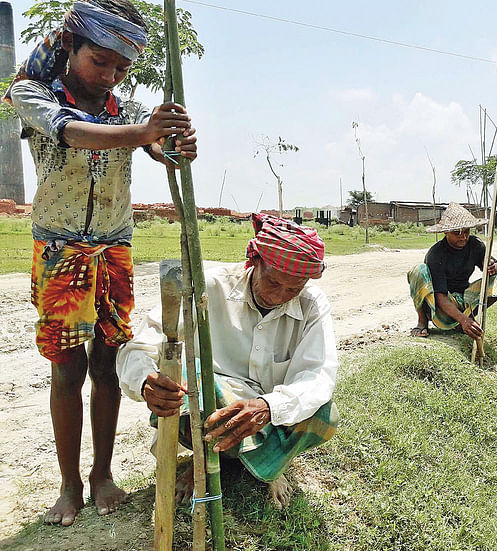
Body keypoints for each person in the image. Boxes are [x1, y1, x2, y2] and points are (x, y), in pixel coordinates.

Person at [6, 0, 197, 526]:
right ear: (71, 47)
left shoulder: (126, 109)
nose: (110, 74)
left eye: (120, 66)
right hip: (61, 250)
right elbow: (74, 134)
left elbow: (159, 149)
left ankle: (102, 474)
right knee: (67, 372)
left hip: (114, 250)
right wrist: (143, 132)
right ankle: (68, 484)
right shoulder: (34, 95)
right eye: (100, 60)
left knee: (108, 368)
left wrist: (175, 145)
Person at [117, 214, 339, 509]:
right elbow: (140, 346)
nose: (281, 295)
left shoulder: (312, 305)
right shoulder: (208, 287)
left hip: (265, 419)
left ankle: (271, 467)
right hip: (209, 409)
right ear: (254, 261)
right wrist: (146, 382)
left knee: (325, 414)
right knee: (190, 374)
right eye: (273, 282)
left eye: (293, 289)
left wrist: (267, 407)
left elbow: (319, 376)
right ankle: (203, 464)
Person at [407, 202, 497, 339]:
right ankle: (422, 321)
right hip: (440, 305)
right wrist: (462, 319)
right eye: (457, 233)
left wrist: (494, 267)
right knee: (418, 270)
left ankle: (467, 318)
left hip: (464, 299)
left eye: (466, 232)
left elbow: (494, 266)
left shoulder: (476, 245)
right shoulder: (436, 254)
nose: (463, 237)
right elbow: (440, 296)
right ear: (445, 232)